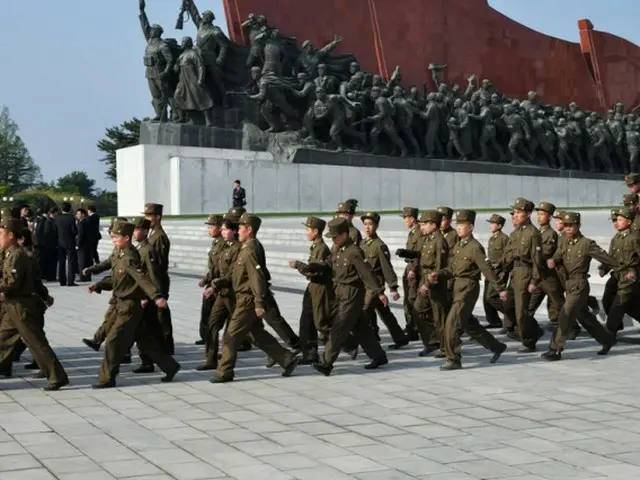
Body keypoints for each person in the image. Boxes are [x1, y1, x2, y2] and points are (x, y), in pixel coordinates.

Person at [88, 221, 180, 388]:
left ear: (126, 238)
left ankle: (106, 378)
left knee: (114, 342)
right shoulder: (119, 253)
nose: (113, 241)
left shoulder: (130, 257)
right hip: (120, 304)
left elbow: (142, 279)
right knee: (145, 342)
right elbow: (116, 278)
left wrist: (156, 296)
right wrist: (98, 283)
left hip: (130, 307)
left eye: (116, 238)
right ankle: (170, 366)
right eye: (112, 237)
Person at [211, 214, 299, 383]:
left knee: (231, 336)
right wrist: (220, 282)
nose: (238, 231)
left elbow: (256, 277)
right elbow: (239, 275)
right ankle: (287, 359)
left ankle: (224, 371)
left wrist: (259, 302)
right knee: (255, 333)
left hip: (248, 300)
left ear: (249, 229)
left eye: (241, 228)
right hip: (245, 298)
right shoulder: (246, 247)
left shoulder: (250, 249)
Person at [428, 210, 507, 370]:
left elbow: (486, 269)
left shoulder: (475, 247)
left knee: (452, 324)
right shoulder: (459, 245)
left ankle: (454, 359)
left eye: (462, 225)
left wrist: (500, 289)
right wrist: (439, 274)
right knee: (468, 324)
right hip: (457, 286)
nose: (458, 228)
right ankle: (496, 346)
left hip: (468, 288)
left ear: (470, 227)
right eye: (457, 225)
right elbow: (452, 268)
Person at [312, 218, 389, 376]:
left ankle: (326, 363)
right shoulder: (338, 249)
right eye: (332, 238)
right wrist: (312, 267)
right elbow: (329, 264)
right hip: (340, 292)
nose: (333, 240)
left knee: (339, 328)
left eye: (335, 237)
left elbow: (366, 273)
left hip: (352, 294)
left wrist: (380, 292)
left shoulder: (354, 252)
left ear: (344, 234)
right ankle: (379, 356)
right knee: (360, 327)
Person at [0, 217, 69, 390]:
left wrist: (44, 297)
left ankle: (57, 376)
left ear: (10, 235)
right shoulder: (10, 253)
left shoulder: (17, 255)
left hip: (20, 306)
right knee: (2, 341)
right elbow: (35, 282)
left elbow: (12, 283)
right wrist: (46, 296)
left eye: (1, 234)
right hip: (12, 306)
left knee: (36, 343)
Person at [543, 212, 620, 360]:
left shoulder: (586, 243)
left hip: (580, 284)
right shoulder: (563, 241)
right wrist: (552, 260)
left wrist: (620, 268)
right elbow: (558, 255)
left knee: (565, 314)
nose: (567, 228)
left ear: (578, 225)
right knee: (584, 316)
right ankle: (607, 340)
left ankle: (555, 349)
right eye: (565, 225)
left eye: (571, 225)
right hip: (568, 283)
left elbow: (606, 258)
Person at [290, 216, 333, 364]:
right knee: (306, 321)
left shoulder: (322, 249)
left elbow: (314, 271)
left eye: (308, 229)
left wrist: (298, 265)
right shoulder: (315, 246)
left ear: (316, 231)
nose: (306, 232)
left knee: (321, 322)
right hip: (312, 287)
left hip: (320, 288)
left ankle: (347, 343)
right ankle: (309, 354)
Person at [143, 203, 174, 355]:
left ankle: (167, 345)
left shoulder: (159, 236)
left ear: (157, 217)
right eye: (146, 215)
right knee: (156, 314)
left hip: (158, 279)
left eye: (149, 216)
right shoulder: (152, 233)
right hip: (153, 279)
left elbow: (158, 263)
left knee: (162, 315)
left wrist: (157, 286)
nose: (147, 218)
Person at [55, 201, 78, 287]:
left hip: (60, 242)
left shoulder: (57, 218)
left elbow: (55, 231)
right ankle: (70, 281)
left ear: (61, 209)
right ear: (70, 208)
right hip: (70, 242)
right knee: (71, 262)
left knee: (61, 262)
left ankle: (62, 281)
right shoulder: (71, 218)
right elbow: (74, 231)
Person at [75, 208, 93, 282]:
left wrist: (77, 244)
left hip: (82, 245)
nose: (77, 215)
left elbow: (80, 235)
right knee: (87, 261)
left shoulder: (81, 223)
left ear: (82, 214)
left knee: (82, 262)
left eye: (78, 214)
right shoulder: (88, 221)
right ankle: (88, 276)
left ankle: (83, 277)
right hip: (88, 245)